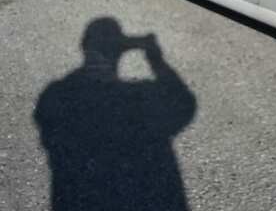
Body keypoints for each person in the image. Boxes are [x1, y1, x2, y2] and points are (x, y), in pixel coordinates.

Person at [34, 17, 197, 211]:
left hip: (78, 198)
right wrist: (155, 57)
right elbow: (183, 103)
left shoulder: (56, 93)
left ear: (84, 46)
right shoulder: (137, 97)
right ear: (121, 51)